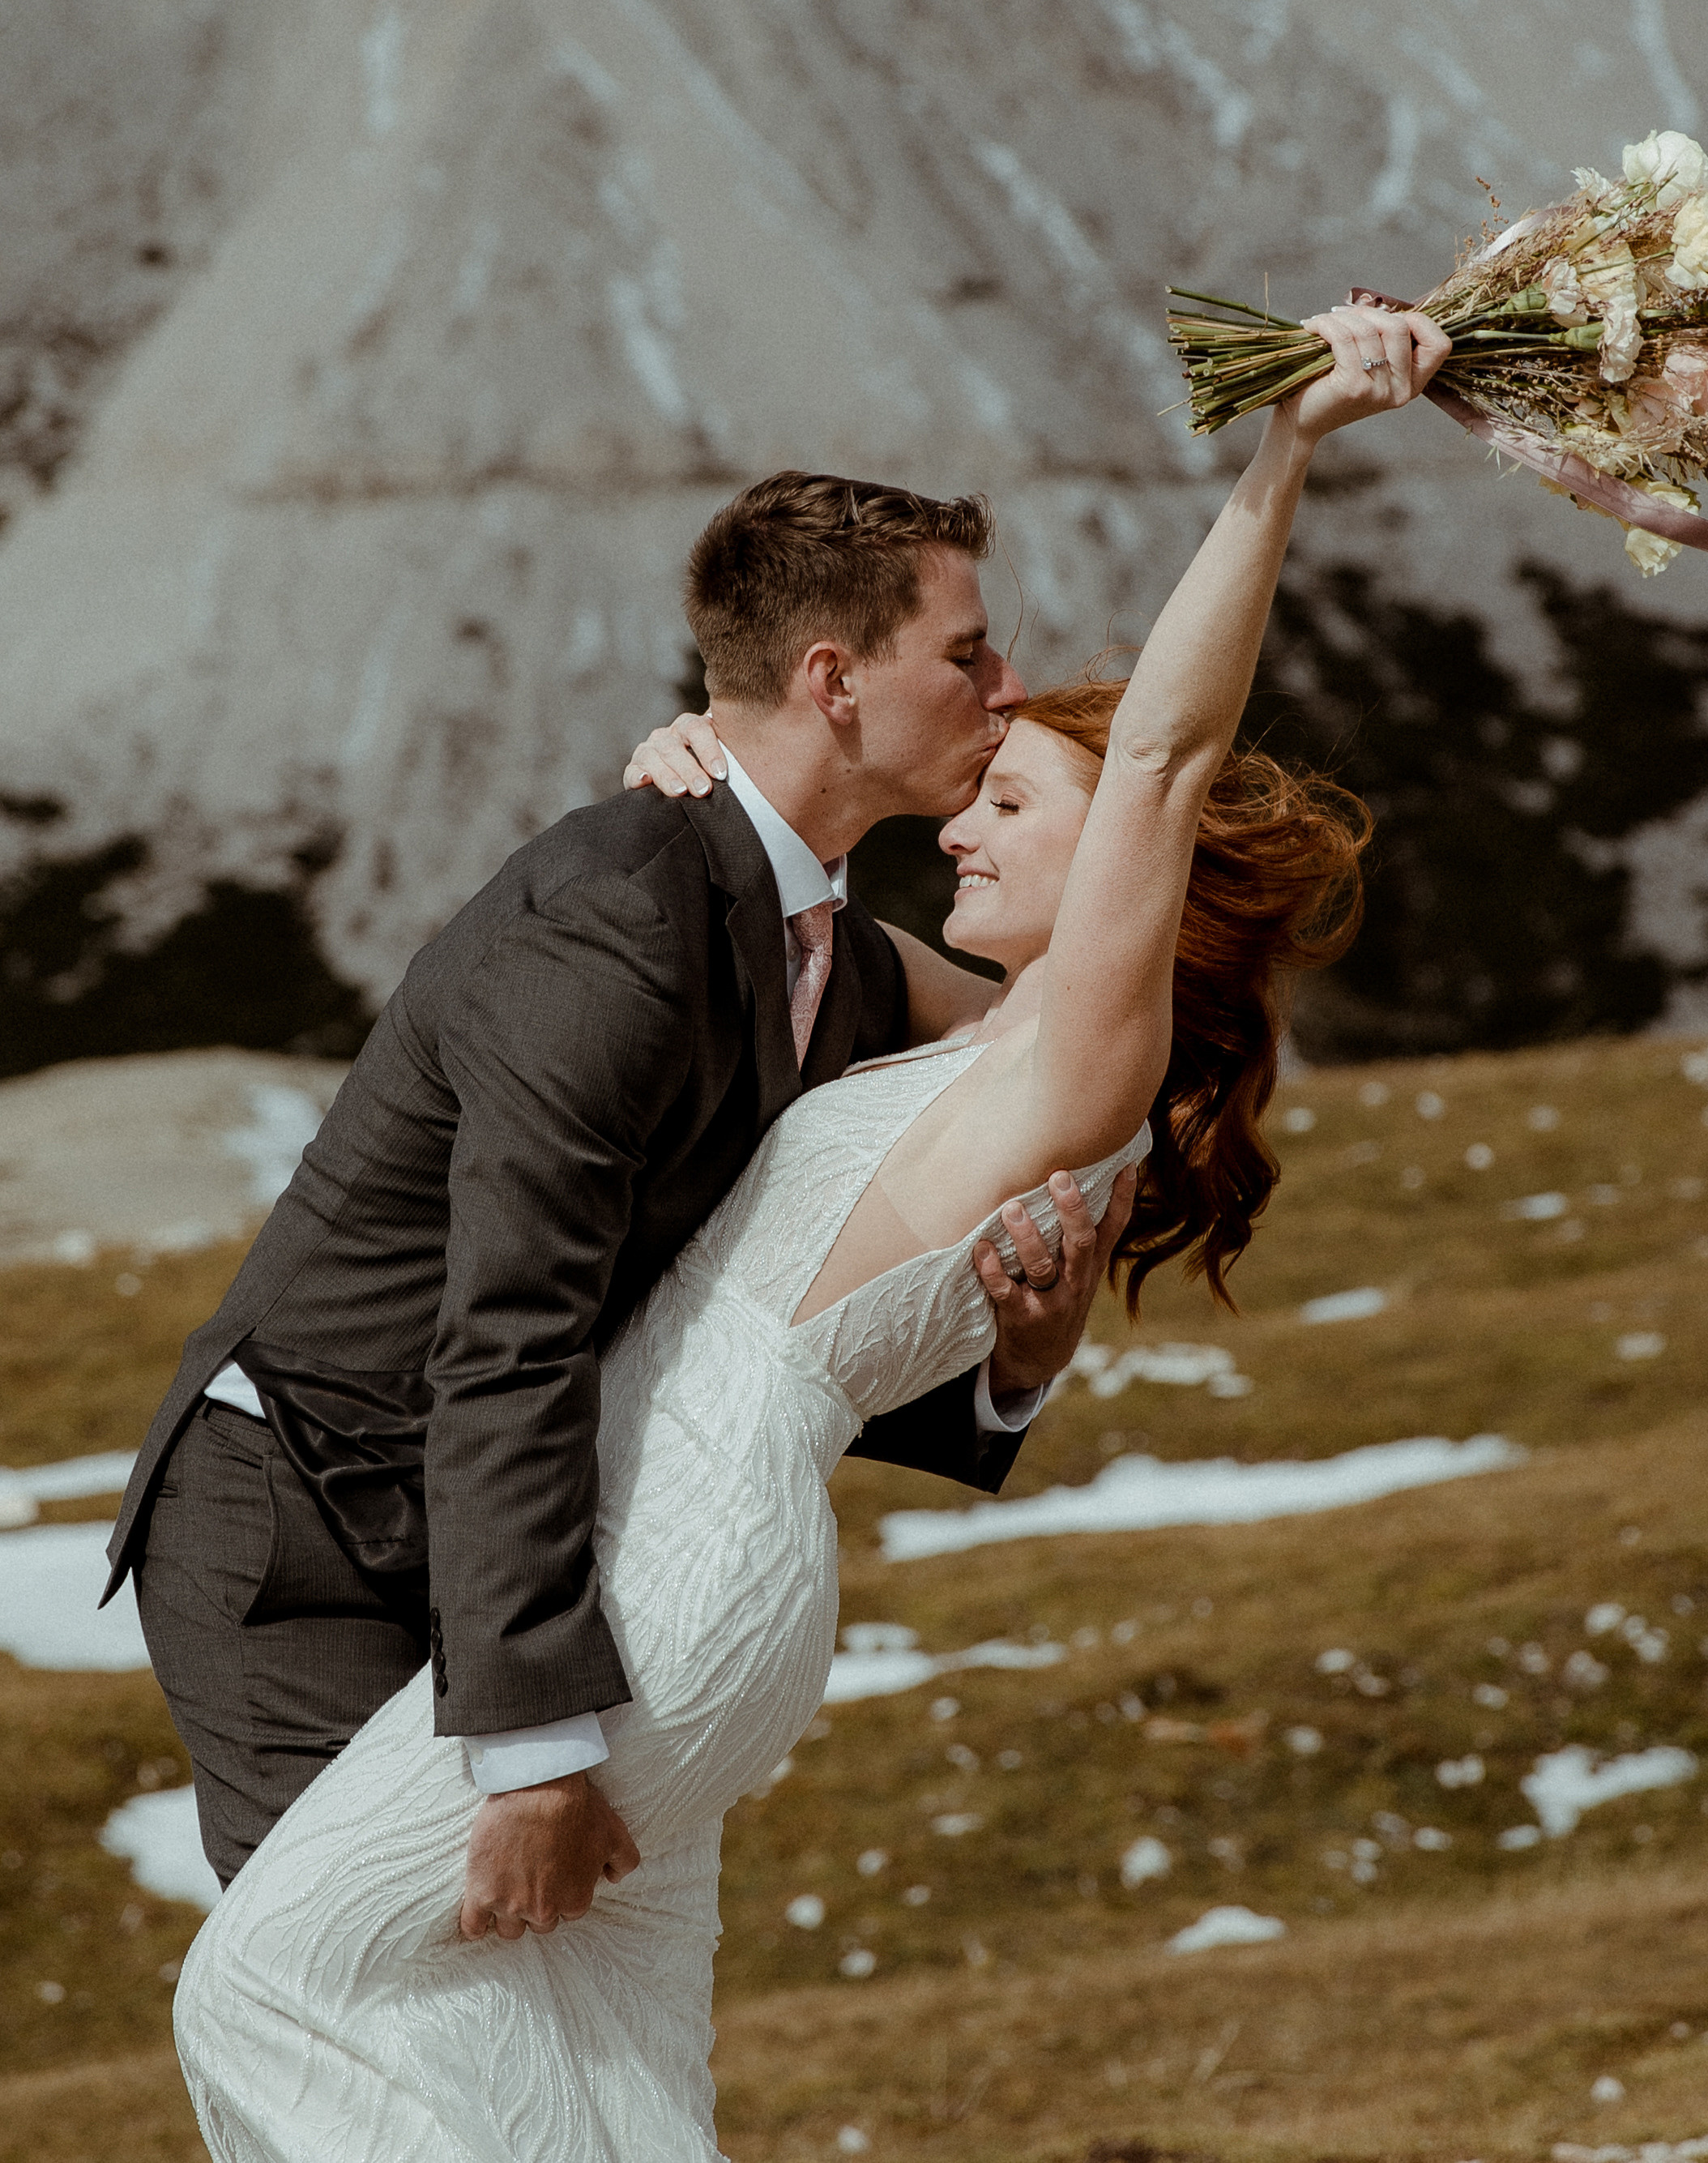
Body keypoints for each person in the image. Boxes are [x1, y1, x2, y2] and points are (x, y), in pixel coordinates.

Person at [169, 299, 1449, 2161]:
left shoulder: (1086, 1044)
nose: (978, 807)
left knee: (268, 1985)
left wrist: (1287, 445)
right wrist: (705, 783)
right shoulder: (965, 1025)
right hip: (664, 1545)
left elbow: (1162, 753)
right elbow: (767, 951)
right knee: (595, 2057)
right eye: (980, 746)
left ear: (1125, 885)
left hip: (676, 1563)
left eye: (1019, 802)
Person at [110, 473, 1129, 1936]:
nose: (1004, 681)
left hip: (496, 1519)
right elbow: (511, 1326)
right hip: (306, 1523)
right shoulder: (620, 912)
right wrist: (533, 1754)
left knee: (513, 2026)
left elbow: (766, 1291)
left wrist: (1014, 1369)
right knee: (350, 2001)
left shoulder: (834, 948)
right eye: (966, 652)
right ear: (831, 682)